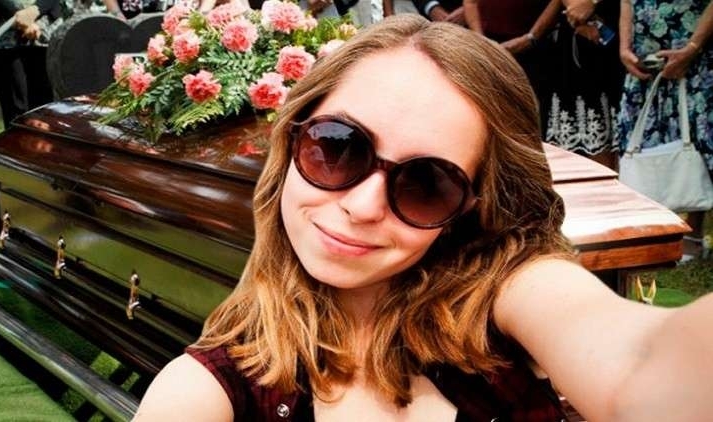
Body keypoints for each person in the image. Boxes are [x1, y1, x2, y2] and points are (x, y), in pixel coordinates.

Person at [133, 15, 713, 421]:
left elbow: (641, 365)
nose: (362, 206)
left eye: (427, 184)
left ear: (471, 207)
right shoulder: (212, 388)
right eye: (337, 147)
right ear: (290, 142)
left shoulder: (507, 295)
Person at [615, 0, 713, 258]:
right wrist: (624, 47)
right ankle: (652, 230)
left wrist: (692, 48)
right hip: (645, 61)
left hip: (693, 52)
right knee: (642, 144)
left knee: (699, 142)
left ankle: (693, 233)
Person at [544, 0, 624, 170]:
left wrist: (591, 3)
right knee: (570, 148)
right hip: (574, 40)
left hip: (620, 25)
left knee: (615, 145)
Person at [464, 0, 562, 133]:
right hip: (487, 46)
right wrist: (482, 42)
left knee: (531, 116)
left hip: (536, 46)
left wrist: (531, 37)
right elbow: (471, 2)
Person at [0, 0, 62, 128]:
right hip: (4, 36)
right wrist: (23, 19)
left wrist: (35, 10)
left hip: (46, 34)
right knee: (16, 112)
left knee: (48, 111)